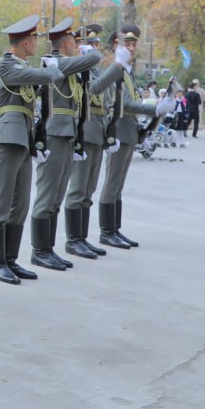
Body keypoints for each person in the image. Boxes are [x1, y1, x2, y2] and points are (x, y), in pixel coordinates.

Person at [0, 15, 65, 285]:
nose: (36, 44)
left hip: (24, 138)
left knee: (20, 203)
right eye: (34, 40)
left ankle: (10, 259)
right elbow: (46, 76)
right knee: (3, 200)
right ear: (25, 42)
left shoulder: (23, 66)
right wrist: (51, 70)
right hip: (8, 136)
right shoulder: (6, 64)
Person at [26, 17, 101, 272]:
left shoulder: (67, 66)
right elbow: (93, 59)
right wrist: (90, 52)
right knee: (47, 195)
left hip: (67, 133)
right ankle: (39, 250)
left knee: (57, 196)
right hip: (54, 134)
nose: (77, 47)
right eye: (74, 42)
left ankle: (48, 248)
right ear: (66, 44)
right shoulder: (57, 63)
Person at [61, 23, 127, 259]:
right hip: (83, 130)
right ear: (78, 46)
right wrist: (116, 67)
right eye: (90, 44)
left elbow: (106, 100)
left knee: (89, 189)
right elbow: (93, 90)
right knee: (78, 188)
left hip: (97, 130)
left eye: (97, 43)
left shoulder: (95, 70)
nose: (95, 48)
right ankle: (73, 240)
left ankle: (82, 237)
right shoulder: (77, 68)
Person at [97, 26, 156, 249]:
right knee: (112, 183)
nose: (131, 48)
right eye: (127, 44)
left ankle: (114, 228)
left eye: (134, 44)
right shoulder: (115, 71)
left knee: (119, 184)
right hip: (118, 130)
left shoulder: (127, 71)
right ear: (116, 46)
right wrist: (154, 108)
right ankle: (106, 232)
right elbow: (123, 103)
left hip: (128, 130)